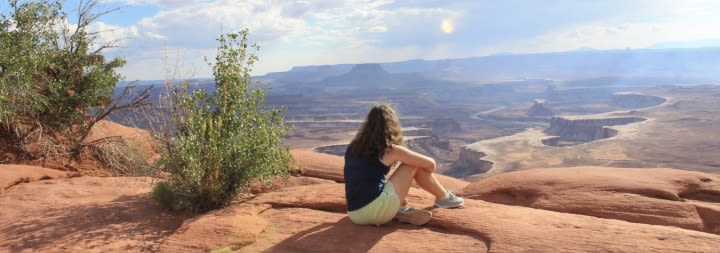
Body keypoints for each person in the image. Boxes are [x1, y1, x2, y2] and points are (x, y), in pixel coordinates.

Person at [344, 104, 464, 226]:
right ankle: (444, 198)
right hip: (376, 210)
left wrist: (397, 191)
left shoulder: (353, 147)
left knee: (388, 185)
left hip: (355, 214)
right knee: (412, 165)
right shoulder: (391, 150)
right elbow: (431, 164)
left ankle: (398, 211)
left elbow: (364, 178)